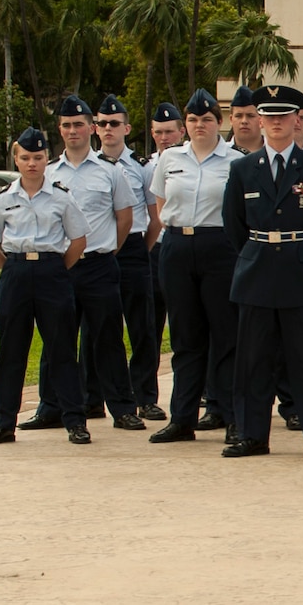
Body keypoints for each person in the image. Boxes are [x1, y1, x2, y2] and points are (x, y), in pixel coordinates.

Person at [221, 85, 303, 459]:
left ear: (297, 121)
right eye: (268, 116)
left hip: (301, 272)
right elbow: (233, 224)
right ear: (259, 121)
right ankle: (252, 434)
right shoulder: (242, 169)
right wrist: (259, 253)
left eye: (284, 116)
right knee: (254, 360)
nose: (276, 122)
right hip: (257, 272)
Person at [30, 95, 143, 434]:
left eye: (79, 124)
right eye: (66, 125)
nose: (72, 130)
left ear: (91, 128)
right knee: (57, 340)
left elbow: (124, 218)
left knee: (108, 338)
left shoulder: (110, 172)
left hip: (98, 265)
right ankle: (51, 406)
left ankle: (122, 408)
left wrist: (108, 251)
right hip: (60, 268)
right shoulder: (48, 172)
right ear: (59, 130)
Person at [0, 128, 89, 446]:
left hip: (53, 272)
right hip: (16, 272)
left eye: (37, 158)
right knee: (11, 351)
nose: (31, 164)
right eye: (25, 158)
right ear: (16, 159)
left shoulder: (60, 196)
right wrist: (12, 269)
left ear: (45, 160)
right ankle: (3, 423)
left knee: (62, 351)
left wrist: (55, 269)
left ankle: (75, 422)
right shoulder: (5, 198)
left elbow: (78, 240)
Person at [147, 89, 247, 444]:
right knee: (186, 338)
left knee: (226, 336)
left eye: (206, 119)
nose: (199, 125)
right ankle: (183, 418)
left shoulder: (235, 161)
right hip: (176, 246)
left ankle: (234, 417)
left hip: (219, 247)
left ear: (218, 123)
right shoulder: (170, 158)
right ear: (184, 124)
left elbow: (239, 213)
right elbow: (160, 205)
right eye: (192, 120)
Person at [94, 94, 168, 422]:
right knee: (98, 328)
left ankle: (145, 397)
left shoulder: (143, 168)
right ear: (95, 128)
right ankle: (93, 397)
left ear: (127, 128)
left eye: (114, 123)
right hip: (98, 253)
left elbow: (156, 218)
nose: (108, 129)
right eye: (102, 123)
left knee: (142, 328)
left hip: (135, 252)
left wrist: (142, 249)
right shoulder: (90, 167)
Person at [146, 101, 184, 397]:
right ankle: (147, 395)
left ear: (180, 132)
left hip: (182, 248)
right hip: (153, 251)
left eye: (169, 131)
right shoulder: (144, 166)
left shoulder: (184, 161)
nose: (164, 137)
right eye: (159, 132)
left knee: (187, 325)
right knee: (149, 327)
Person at [226, 86, 264, 155]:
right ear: (231, 120)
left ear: (261, 119)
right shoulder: (219, 155)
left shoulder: (275, 152)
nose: (244, 121)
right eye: (238, 116)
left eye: (250, 116)